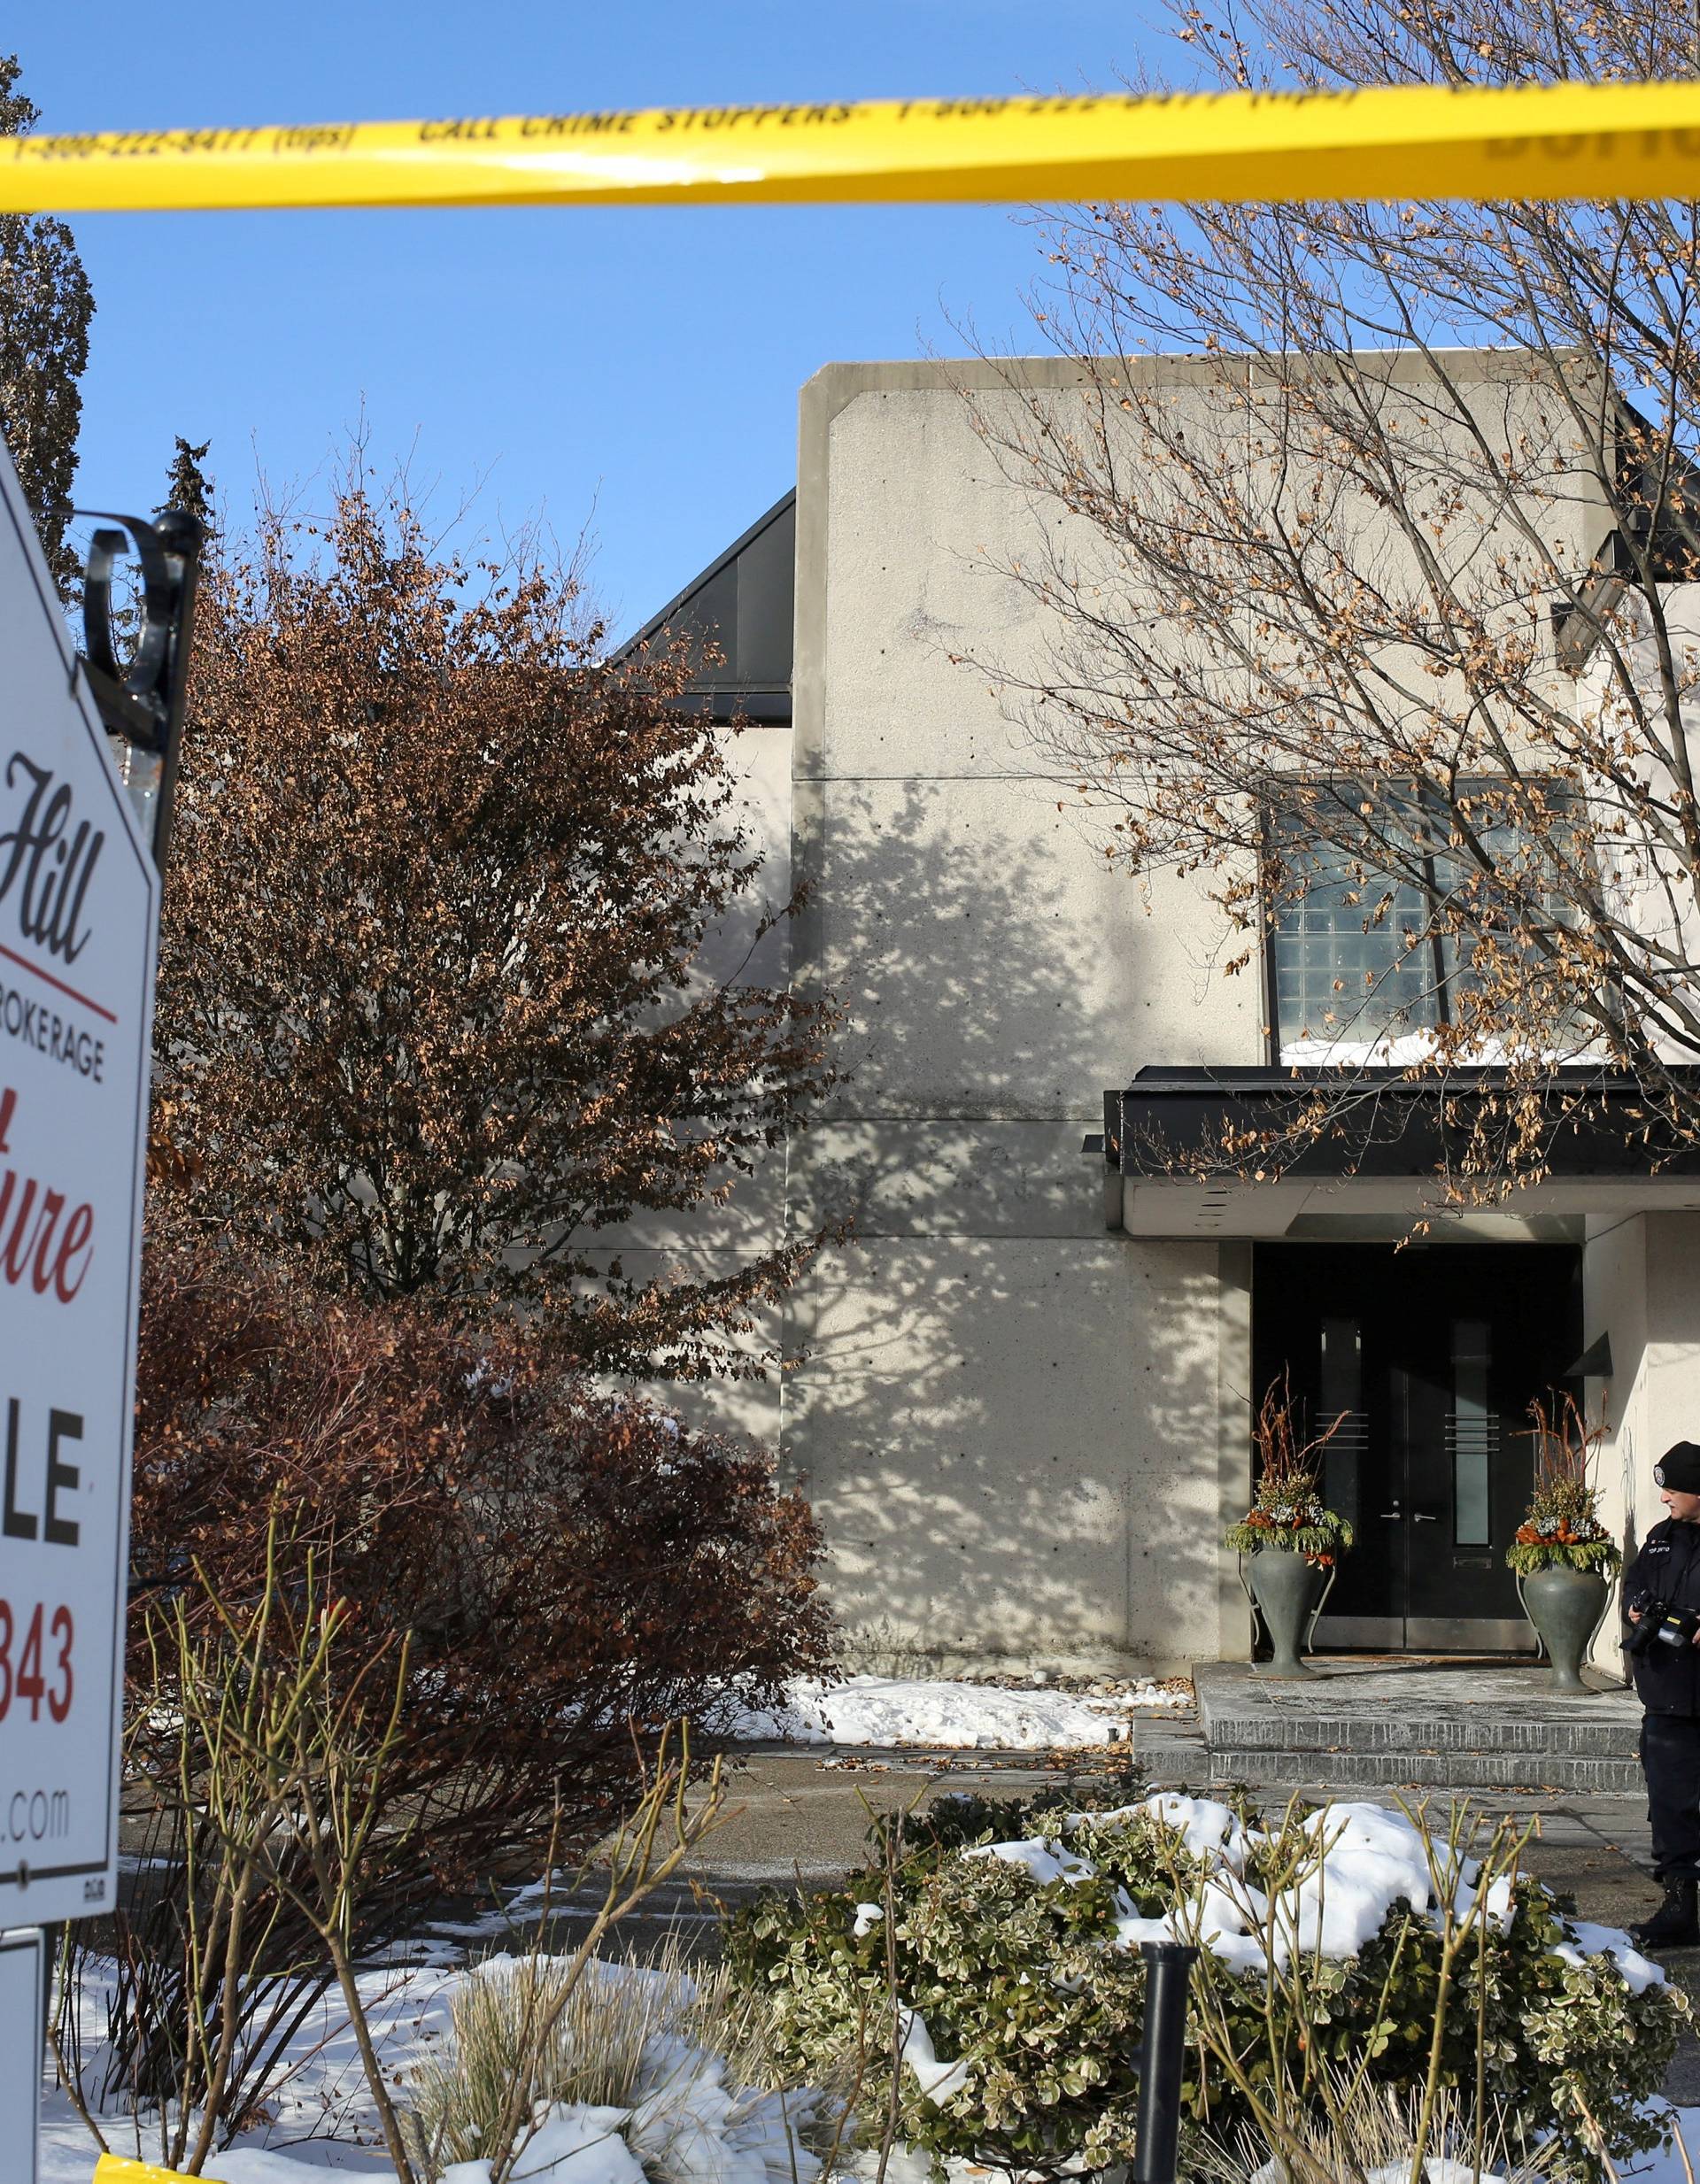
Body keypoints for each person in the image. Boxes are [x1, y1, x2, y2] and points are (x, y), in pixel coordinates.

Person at [1625, 1440, 1700, 1949]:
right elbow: (1637, 1584)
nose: (1664, 1497)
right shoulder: (1660, 1537)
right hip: (1669, 1697)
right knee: (1670, 1807)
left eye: (1672, 1488)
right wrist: (1637, 1609)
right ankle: (1680, 1906)